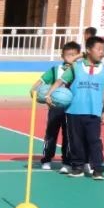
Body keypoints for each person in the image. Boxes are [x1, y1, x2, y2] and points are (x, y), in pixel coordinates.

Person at [46, 35, 104, 180]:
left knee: (94, 141)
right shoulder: (76, 67)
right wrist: (49, 94)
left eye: (103, 50)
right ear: (89, 50)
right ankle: (77, 167)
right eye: (98, 49)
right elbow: (60, 81)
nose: (102, 52)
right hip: (74, 112)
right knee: (75, 141)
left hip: (93, 113)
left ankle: (98, 169)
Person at [30, 41, 80, 171]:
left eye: (74, 55)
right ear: (62, 56)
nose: (71, 58)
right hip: (55, 108)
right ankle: (46, 159)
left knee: (68, 135)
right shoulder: (55, 70)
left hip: (72, 109)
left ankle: (67, 162)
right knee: (51, 134)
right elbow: (40, 81)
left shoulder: (79, 70)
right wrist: (33, 90)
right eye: (68, 55)